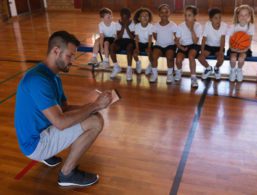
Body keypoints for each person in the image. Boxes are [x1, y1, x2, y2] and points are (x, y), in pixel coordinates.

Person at [14, 31, 113, 187]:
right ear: (56, 51)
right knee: (96, 122)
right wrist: (94, 106)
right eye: (70, 56)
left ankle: (48, 154)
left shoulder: (52, 75)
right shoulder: (39, 80)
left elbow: (64, 108)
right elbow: (60, 122)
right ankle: (66, 174)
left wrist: (93, 107)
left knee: (92, 114)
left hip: (41, 131)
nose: (73, 60)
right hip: (35, 143)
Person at [175, 5, 202, 88]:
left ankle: (193, 77)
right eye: (185, 15)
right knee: (178, 59)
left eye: (189, 15)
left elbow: (195, 41)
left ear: (194, 16)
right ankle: (179, 71)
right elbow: (176, 41)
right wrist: (181, 47)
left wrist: (191, 29)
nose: (187, 18)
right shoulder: (180, 26)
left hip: (194, 45)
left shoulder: (198, 26)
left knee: (191, 56)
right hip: (183, 46)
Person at [227, 4, 255, 82]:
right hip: (234, 47)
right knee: (233, 58)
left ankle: (239, 70)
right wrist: (232, 48)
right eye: (241, 15)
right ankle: (232, 71)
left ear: (249, 17)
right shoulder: (233, 26)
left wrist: (244, 49)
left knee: (241, 58)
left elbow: (249, 40)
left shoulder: (251, 26)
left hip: (245, 48)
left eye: (246, 15)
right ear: (237, 17)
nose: (243, 17)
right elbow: (230, 40)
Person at [150, 4, 177, 84]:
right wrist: (160, 42)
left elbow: (176, 37)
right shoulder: (156, 26)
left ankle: (169, 74)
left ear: (169, 13)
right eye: (162, 12)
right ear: (159, 14)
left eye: (166, 12)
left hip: (170, 45)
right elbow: (155, 37)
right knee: (154, 57)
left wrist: (176, 45)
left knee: (170, 57)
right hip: (159, 45)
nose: (164, 14)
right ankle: (154, 74)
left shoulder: (173, 25)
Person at [198, 8, 227, 80]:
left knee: (221, 59)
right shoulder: (207, 25)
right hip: (208, 46)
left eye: (220, 17)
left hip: (218, 47)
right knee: (200, 58)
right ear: (210, 19)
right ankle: (208, 68)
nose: (218, 20)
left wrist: (220, 52)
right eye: (216, 18)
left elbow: (222, 40)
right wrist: (202, 52)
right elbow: (204, 39)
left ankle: (216, 68)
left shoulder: (224, 26)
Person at [110, 8, 135, 80]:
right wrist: (123, 27)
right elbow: (119, 36)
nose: (124, 20)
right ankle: (116, 66)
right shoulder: (118, 24)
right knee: (112, 47)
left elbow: (132, 37)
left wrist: (126, 26)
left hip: (130, 40)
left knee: (130, 48)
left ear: (129, 17)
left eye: (126, 18)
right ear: (120, 17)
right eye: (123, 18)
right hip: (120, 40)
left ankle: (129, 69)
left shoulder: (133, 24)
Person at [133, 7, 154, 77]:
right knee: (135, 54)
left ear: (149, 17)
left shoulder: (151, 26)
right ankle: (138, 62)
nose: (145, 17)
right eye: (143, 16)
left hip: (148, 43)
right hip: (139, 43)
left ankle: (150, 64)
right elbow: (136, 38)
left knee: (149, 53)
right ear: (139, 18)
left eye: (147, 15)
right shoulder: (137, 26)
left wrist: (149, 47)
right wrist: (137, 48)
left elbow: (150, 38)